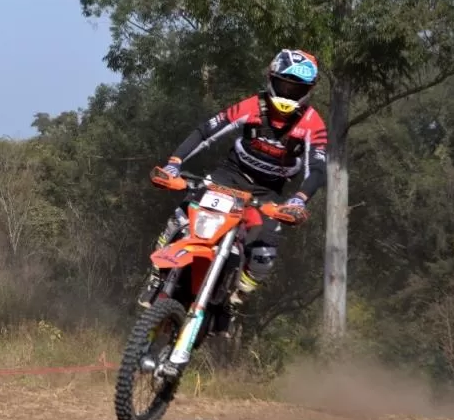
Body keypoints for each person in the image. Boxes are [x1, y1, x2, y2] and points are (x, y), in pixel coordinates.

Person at [139, 49, 328, 322]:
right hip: (228, 177)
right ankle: (157, 275)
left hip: (268, 192)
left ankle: (235, 297)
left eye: (296, 88)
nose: (288, 93)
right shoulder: (252, 106)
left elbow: (318, 168)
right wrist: (173, 164)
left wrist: (299, 199)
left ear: (308, 90)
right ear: (271, 79)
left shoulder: (313, 123)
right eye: (284, 85)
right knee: (181, 217)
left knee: (264, 253)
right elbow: (207, 131)